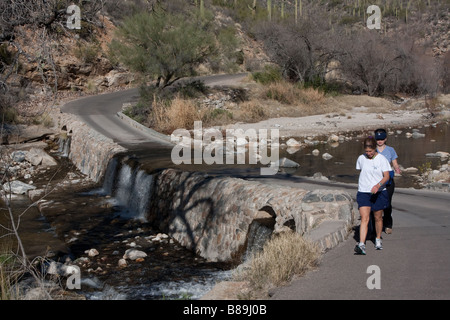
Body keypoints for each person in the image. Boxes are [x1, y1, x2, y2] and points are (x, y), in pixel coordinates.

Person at [355, 136, 391, 255]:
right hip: (363, 192)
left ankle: (378, 238)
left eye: (370, 151)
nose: (368, 153)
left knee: (378, 217)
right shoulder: (361, 158)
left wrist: (377, 185)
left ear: (375, 148)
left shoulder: (381, 159)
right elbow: (362, 171)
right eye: (366, 151)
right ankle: (361, 244)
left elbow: (387, 176)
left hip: (379, 192)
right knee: (364, 218)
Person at [374, 128, 401, 234]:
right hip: (375, 180)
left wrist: (397, 168)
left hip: (388, 180)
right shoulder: (372, 150)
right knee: (375, 203)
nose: (379, 141)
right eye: (378, 139)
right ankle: (375, 224)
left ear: (385, 139)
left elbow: (394, 162)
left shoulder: (390, 150)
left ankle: (388, 224)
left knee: (387, 203)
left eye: (381, 139)